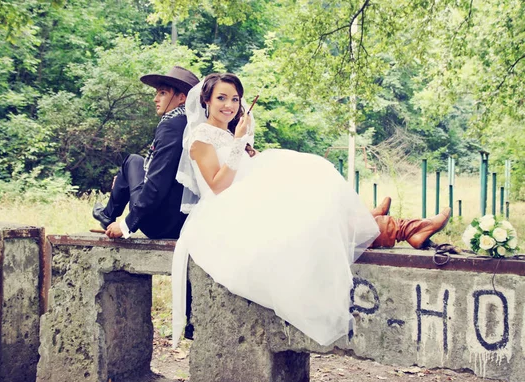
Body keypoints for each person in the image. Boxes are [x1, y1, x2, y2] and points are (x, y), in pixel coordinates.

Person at [171, 73, 451, 348]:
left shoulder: (227, 132)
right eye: (221, 98)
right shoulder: (200, 138)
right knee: (306, 203)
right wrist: (239, 143)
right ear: (206, 99)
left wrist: (244, 147)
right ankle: (392, 226)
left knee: (307, 180)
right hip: (224, 213)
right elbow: (218, 186)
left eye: (234, 98)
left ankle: (387, 224)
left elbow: (239, 169)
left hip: (242, 199)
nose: (229, 105)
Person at [92, 66, 200, 239]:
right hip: (182, 218)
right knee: (134, 163)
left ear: (182, 98)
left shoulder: (172, 126)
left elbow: (157, 185)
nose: (155, 99)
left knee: (131, 161)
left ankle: (108, 215)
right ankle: (107, 214)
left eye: (163, 93)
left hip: (162, 223)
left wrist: (127, 225)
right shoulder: (191, 124)